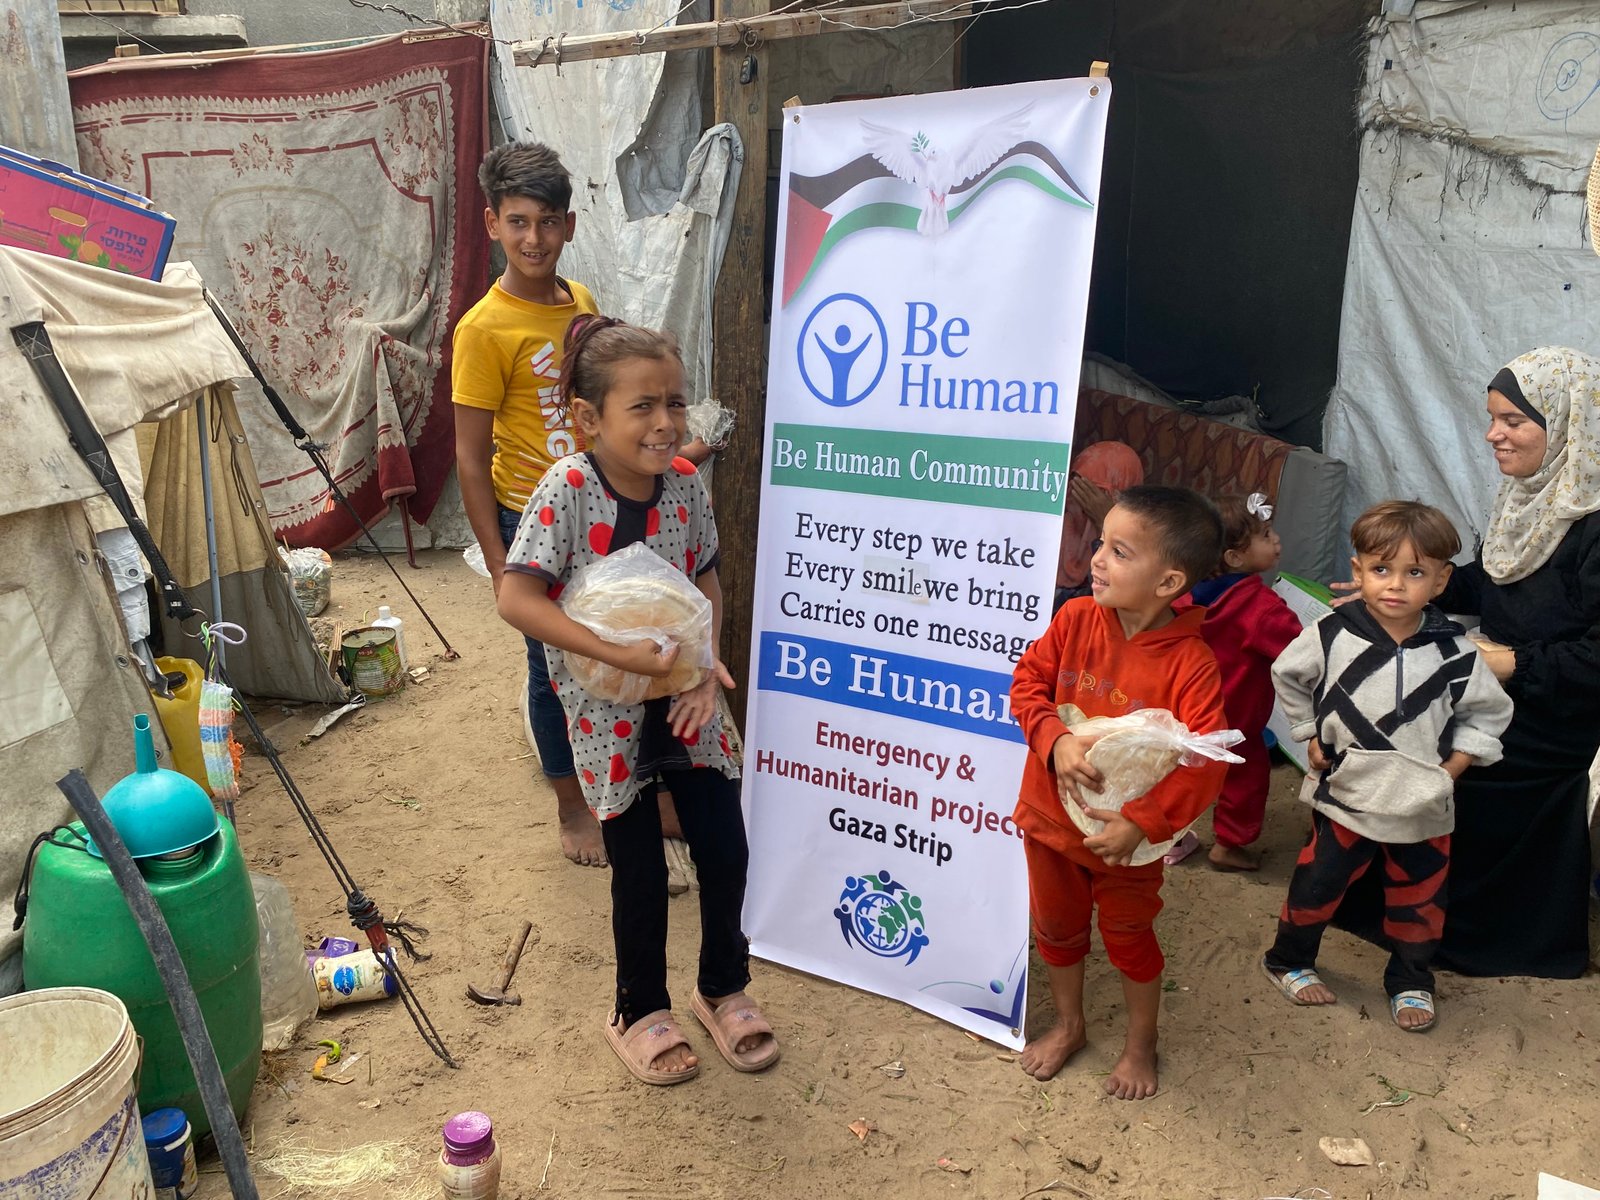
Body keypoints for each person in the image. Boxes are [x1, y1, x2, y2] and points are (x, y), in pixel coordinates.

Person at [496, 315, 778, 1084]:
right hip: (605, 708)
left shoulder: (685, 486)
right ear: (589, 419)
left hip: (686, 695)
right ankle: (639, 1006)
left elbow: (707, 579)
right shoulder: (569, 491)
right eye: (643, 407)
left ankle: (723, 985)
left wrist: (702, 665)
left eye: (675, 404)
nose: (665, 423)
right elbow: (518, 598)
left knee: (725, 847)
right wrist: (615, 653)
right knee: (641, 868)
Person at [1382, 348, 1598, 979]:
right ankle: (1399, 912)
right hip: (1499, 687)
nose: (1492, 434)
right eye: (1491, 417)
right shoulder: (1526, 496)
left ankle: (1467, 933)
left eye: (1512, 421)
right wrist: (1421, 580)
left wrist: (1514, 663)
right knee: (1389, 728)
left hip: (1557, 712)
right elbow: (1499, 585)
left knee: (1448, 760)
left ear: (1567, 426)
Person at [1011, 486, 1229, 1100]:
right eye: (1101, 542)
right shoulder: (1076, 618)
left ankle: (1141, 1045)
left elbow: (1208, 763)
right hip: (1052, 821)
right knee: (1055, 928)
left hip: (1125, 844)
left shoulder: (1191, 664)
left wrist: (1144, 822)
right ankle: (1071, 1025)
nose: (1097, 558)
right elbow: (1027, 681)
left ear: (1168, 582)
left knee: (1130, 938)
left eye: (1119, 551)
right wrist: (1053, 739)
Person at [1264, 501, 1512, 1031]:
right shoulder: (1330, 634)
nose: (1395, 585)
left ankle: (1411, 979)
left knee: (1420, 897)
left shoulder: (1456, 653)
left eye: (1415, 572)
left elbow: (1488, 713)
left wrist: (1453, 768)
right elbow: (1288, 676)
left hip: (1422, 800)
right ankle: (1288, 959)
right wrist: (1307, 733)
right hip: (1347, 793)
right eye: (1381, 569)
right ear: (1358, 572)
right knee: (1318, 882)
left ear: (1442, 580)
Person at [451, 141, 606, 868]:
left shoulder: (582, 305)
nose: (534, 239)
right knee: (549, 668)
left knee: (603, 649)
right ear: (492, 224)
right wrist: (495, 557)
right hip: (529, 522)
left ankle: (621, 784)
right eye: (519, 222)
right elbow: (469, 459)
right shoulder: (482, 330)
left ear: (569, 226)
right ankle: (572, 809)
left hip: (595, 510)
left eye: (547, 222)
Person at [1166, 493, 1303, 871]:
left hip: (1183, 712)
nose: (1276, 540)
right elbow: (1299, 652)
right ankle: (1229, 844)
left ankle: (1168, 838)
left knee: (1175, 774)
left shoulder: (1182, 598)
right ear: (1235, 558)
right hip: (1236, 722)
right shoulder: (1261, 608)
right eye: (1265, 534)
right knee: (1245, 778)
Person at [1055, 441, 1144, 611]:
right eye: (1076, 485)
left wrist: (1108, 523)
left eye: (1093, 491)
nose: (1078, 499)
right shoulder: (1054, 529)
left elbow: (1112, 603)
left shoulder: (1142, 543)